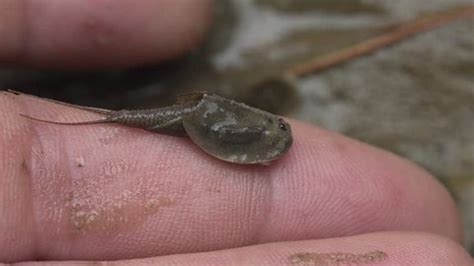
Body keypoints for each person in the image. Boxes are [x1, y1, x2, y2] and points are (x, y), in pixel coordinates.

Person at [0, 1, 471, 264]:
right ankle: (83, 113)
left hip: (202, 114)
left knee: (138, 115)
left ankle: (84, 113)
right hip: (195, 114)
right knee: (130, 117)